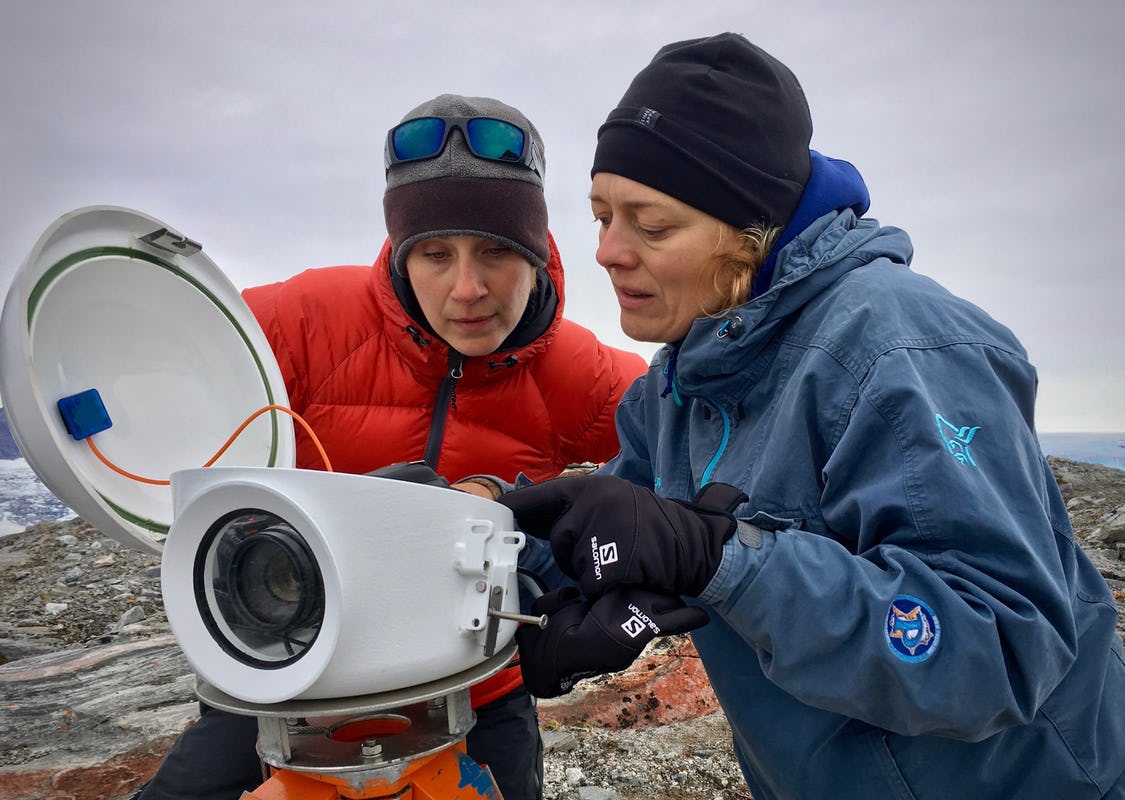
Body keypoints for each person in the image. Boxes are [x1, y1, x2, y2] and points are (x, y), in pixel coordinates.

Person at [498, 33, 1125, 800]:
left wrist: (722, 559)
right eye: (600, 217)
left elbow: (996, 651)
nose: (606, 251)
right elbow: (606, 543)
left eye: (650, 225)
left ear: (749, 230)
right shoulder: (673, 390)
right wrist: (477, 532)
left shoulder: (900, 350)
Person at [133, 93, 647, 800]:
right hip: (285, 674)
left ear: (536, 253)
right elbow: (159, 369)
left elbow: (692, 424)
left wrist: (553, 531)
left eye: (496, 251)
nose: (465, 289)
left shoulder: (577, 370)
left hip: (476, 683)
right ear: (403, 256)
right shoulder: (306, 317)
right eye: (434, 254)